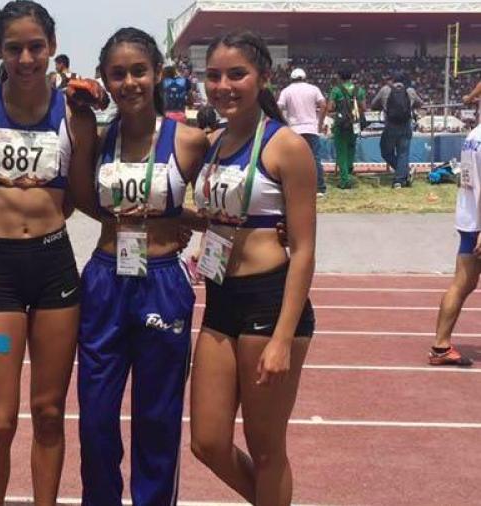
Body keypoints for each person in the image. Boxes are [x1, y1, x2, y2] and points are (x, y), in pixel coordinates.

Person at [0, 2, 98, 503]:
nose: (27, 58)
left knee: (51, 413)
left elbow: (80, 197)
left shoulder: (76, 115)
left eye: (36, 47)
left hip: (55, 270)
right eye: (15, 48)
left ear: (52, 48)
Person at [67, 27, 208, 506]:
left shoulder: (189, 141)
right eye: (118, 73)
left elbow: (228, 195)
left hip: (163, 282)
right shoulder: (98, 137)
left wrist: (185, 216)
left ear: (158, 75)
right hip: (106, 279)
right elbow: (80, 197)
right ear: (106, 79)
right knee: (96, 419)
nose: (129, 82)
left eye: (138, 71)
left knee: (158, 418)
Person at [189, 30, 316, 506]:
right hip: (221, 300)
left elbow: (303, 249)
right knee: (207, 442)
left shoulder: (286, 147)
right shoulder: (214, 142)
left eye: (236, 74)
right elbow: (215, 213)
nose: (223, 85)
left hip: (270, 302)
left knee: (267, 451)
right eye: (214, 75)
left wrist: (283, 338)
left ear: (263, 78)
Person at [427, 122, 481, 367]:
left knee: (461, 284)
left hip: (469, 218)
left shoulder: (474, 135)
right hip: (477, 222)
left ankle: (441, 346)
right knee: (461, 284)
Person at [278, 68, 327, 196]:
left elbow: (279, 107)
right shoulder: (313, 89)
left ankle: (294, 186)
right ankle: (319, 188)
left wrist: (284, 122)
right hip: (311, 128)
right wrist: (319, 122)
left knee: (293, 159)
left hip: (294, 129)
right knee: (315, 158)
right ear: (304, 77)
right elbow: (323, 104)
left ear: (292, 78)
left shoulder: (286, 90)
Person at [371, 70, 423, 189]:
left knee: (385, 151)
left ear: (393, 80)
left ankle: (403, 173)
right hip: (405, 125)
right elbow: (420, 103)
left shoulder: (385, 90)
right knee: (403, 153)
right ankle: (400, 179)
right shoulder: (410, 91)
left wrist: (383, 105)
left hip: (390, 125)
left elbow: (373, 104)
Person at [325, 64, 365, 190]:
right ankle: (349, 174)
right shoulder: (359, 90)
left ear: (339, 77)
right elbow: (363, 108)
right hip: (355, 124)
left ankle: (345, 180)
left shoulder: (336, 90)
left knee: (341, 152)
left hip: (341, 125)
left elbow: (330, 108)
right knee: (351, 150)